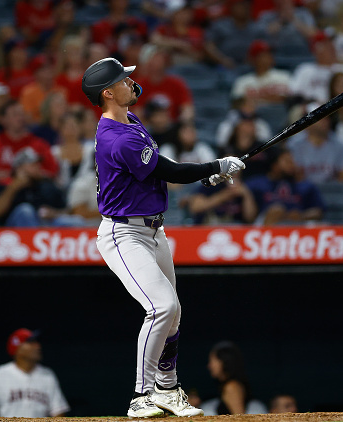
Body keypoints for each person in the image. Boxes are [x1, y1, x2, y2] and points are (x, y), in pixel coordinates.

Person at [81, 57, 245, 418]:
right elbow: (167, 169)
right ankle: (141, 396)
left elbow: (157, 170)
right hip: (124, 234)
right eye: (123, 80)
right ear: (107, 93)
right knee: (162, 307)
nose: (130, 82)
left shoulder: (131, 121)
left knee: (173, 314)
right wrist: (214, 167)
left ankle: (167, 389)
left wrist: (206, 176)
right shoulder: (115, 136)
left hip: (154, 229)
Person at [0, 328, 70, 417]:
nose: (38, 346)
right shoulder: (1, 374)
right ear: (18, 348)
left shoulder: (48, 375)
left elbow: (58, 411)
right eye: (31, 342)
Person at [246, 147, 326, 225]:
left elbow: (318, 212)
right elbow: (248, 216)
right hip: (264, 225)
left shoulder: (305, 185)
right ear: (275, 165)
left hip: (297, 225)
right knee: (276, 210)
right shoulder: (256, 183)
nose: (292, 165)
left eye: (292, 161)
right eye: (287, 162)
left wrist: (301, 216)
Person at [288, 103, 343, 185]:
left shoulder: (340, 144)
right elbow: (295, 176)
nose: (326, 121)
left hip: (333, 193)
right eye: (321, 118)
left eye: (327, 118)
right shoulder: (294, 144)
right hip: (305, 194)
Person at [201, 341, 268, 415]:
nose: (209, 366)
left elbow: (239, 418)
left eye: (212, 361)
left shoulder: (231, 387)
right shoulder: (230, 386)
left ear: (223, 361)